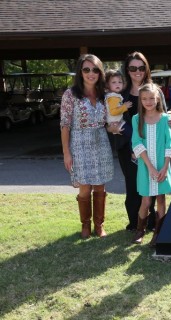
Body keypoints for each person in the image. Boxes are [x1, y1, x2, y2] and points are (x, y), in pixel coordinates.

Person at [111, 52, 168, 232]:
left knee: (153, 185)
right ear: (127, 70)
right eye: (133, 68)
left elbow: (163, 115)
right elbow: (110, 118)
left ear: (146, 69)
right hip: (127, 147)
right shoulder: (120, 93)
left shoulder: (155, 91)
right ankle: (136, 224)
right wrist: (110, 128)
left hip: (152, 147)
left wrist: (170, 122)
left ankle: (153, 225)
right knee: (133, 185)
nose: (138, 71)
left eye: (141, 67)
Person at [60, 54, 113, 239]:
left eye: (95, 70)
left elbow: (111, 119)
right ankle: (85, 225)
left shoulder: (104, 94)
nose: (91, 73)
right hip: (79, 144)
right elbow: (65, 124)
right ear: (80, 72)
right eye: (86, 69)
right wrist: (66, 152)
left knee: (99, 187)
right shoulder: (70, 94)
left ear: (100, 72)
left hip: (101, 142)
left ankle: (99, 225)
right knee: (84, 188)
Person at [131, 83, 171, 245]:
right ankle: (140, 230)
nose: (148, 101)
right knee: (146, 201)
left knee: (161, 199)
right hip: (145, 167)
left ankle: (158, 233)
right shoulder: (137, 119)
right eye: (144, 99)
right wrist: (150, 167)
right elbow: (137, 143)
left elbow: (169, 144)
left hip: (163, 166)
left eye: (151, 98)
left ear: (157, 99)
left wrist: (164, 167)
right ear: (140, 100)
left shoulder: (164, 119)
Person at [104, 69, 132, 134]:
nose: (117, 84)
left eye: (120, 82)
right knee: (132, 134)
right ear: (107, 84)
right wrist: (125, 106)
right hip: (115, 123)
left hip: (116, 122)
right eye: (114, 82)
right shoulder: (113, 97)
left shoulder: (114, 95)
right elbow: (113, 112)